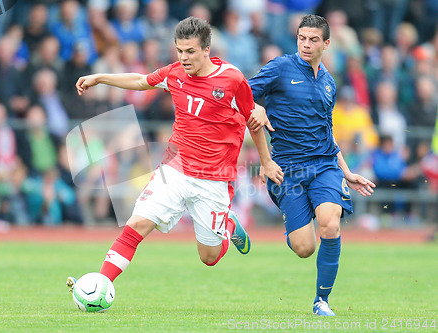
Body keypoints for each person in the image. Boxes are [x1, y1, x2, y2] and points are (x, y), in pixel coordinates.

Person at [67, 17, 282, 291]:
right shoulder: (174, 73)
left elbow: (254, 119)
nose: (184, 57)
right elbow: (142, 81)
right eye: (180, 51)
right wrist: (100, 78)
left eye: (190, 51)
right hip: (175, 169)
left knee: (209, 258)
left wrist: (265, 161)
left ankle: (228, 226)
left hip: (213, 178)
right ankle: (99, 285)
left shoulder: (231, 79)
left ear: (206, 50)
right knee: (137, 223)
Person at [248, 15, 376, 316]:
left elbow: (327, 133)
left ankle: (322, 301)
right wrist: (258, 106)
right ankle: (294, 222)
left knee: (330, 224)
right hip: (287, 169)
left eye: (313, 39)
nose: (306, 44)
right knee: (304, 247)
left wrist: (345, 171)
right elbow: (243, 95)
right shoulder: (280, 68)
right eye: (302, 38)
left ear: (326, 43)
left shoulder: (329, 82)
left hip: (324, 165)